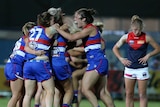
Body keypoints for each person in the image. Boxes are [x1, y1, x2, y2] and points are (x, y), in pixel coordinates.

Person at [54, 8, 111, 107]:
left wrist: (57, 29)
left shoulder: (90, 28)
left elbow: (72, 38)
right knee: (102, 92)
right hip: (100, 61)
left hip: (96, 61)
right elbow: (75, 43)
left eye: (76, 17)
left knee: (85, 89)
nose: (74, 20)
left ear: (84, 19)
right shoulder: (89, 31)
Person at [112, 15, 160, 107]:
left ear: (141, 28)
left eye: (138, 29)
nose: (136, 32)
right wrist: (121, 58)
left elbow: (158, 48)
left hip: (142, 69)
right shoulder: (126, 37)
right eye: (134, 29)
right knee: (129, 94)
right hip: (129, 68)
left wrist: (148, 55)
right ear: (131, 28)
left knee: (142, 95)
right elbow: (115, 48)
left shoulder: (146, 37)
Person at [22, 10, 60, 107]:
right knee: (50, 91)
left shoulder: (33, 30)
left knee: (28, 94)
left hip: (28, 64)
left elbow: (26, 47)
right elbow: (60, 27)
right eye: (52, 19)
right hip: (41, 63)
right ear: (48, 21)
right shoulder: (49, 30)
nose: (53, 21)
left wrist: (35, 52)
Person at [4, 22, 36, 107]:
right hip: (15, 65)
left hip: (11, 64)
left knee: (20, 95)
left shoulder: (22, 39)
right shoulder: (28, 40)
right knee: (16, 95)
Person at [48, 7, 74, 107]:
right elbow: (71, 39)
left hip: (48, 64)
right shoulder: (63, 27)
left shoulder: (45, 31)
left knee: (56, 91)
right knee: (69, 90)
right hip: (59, 62)